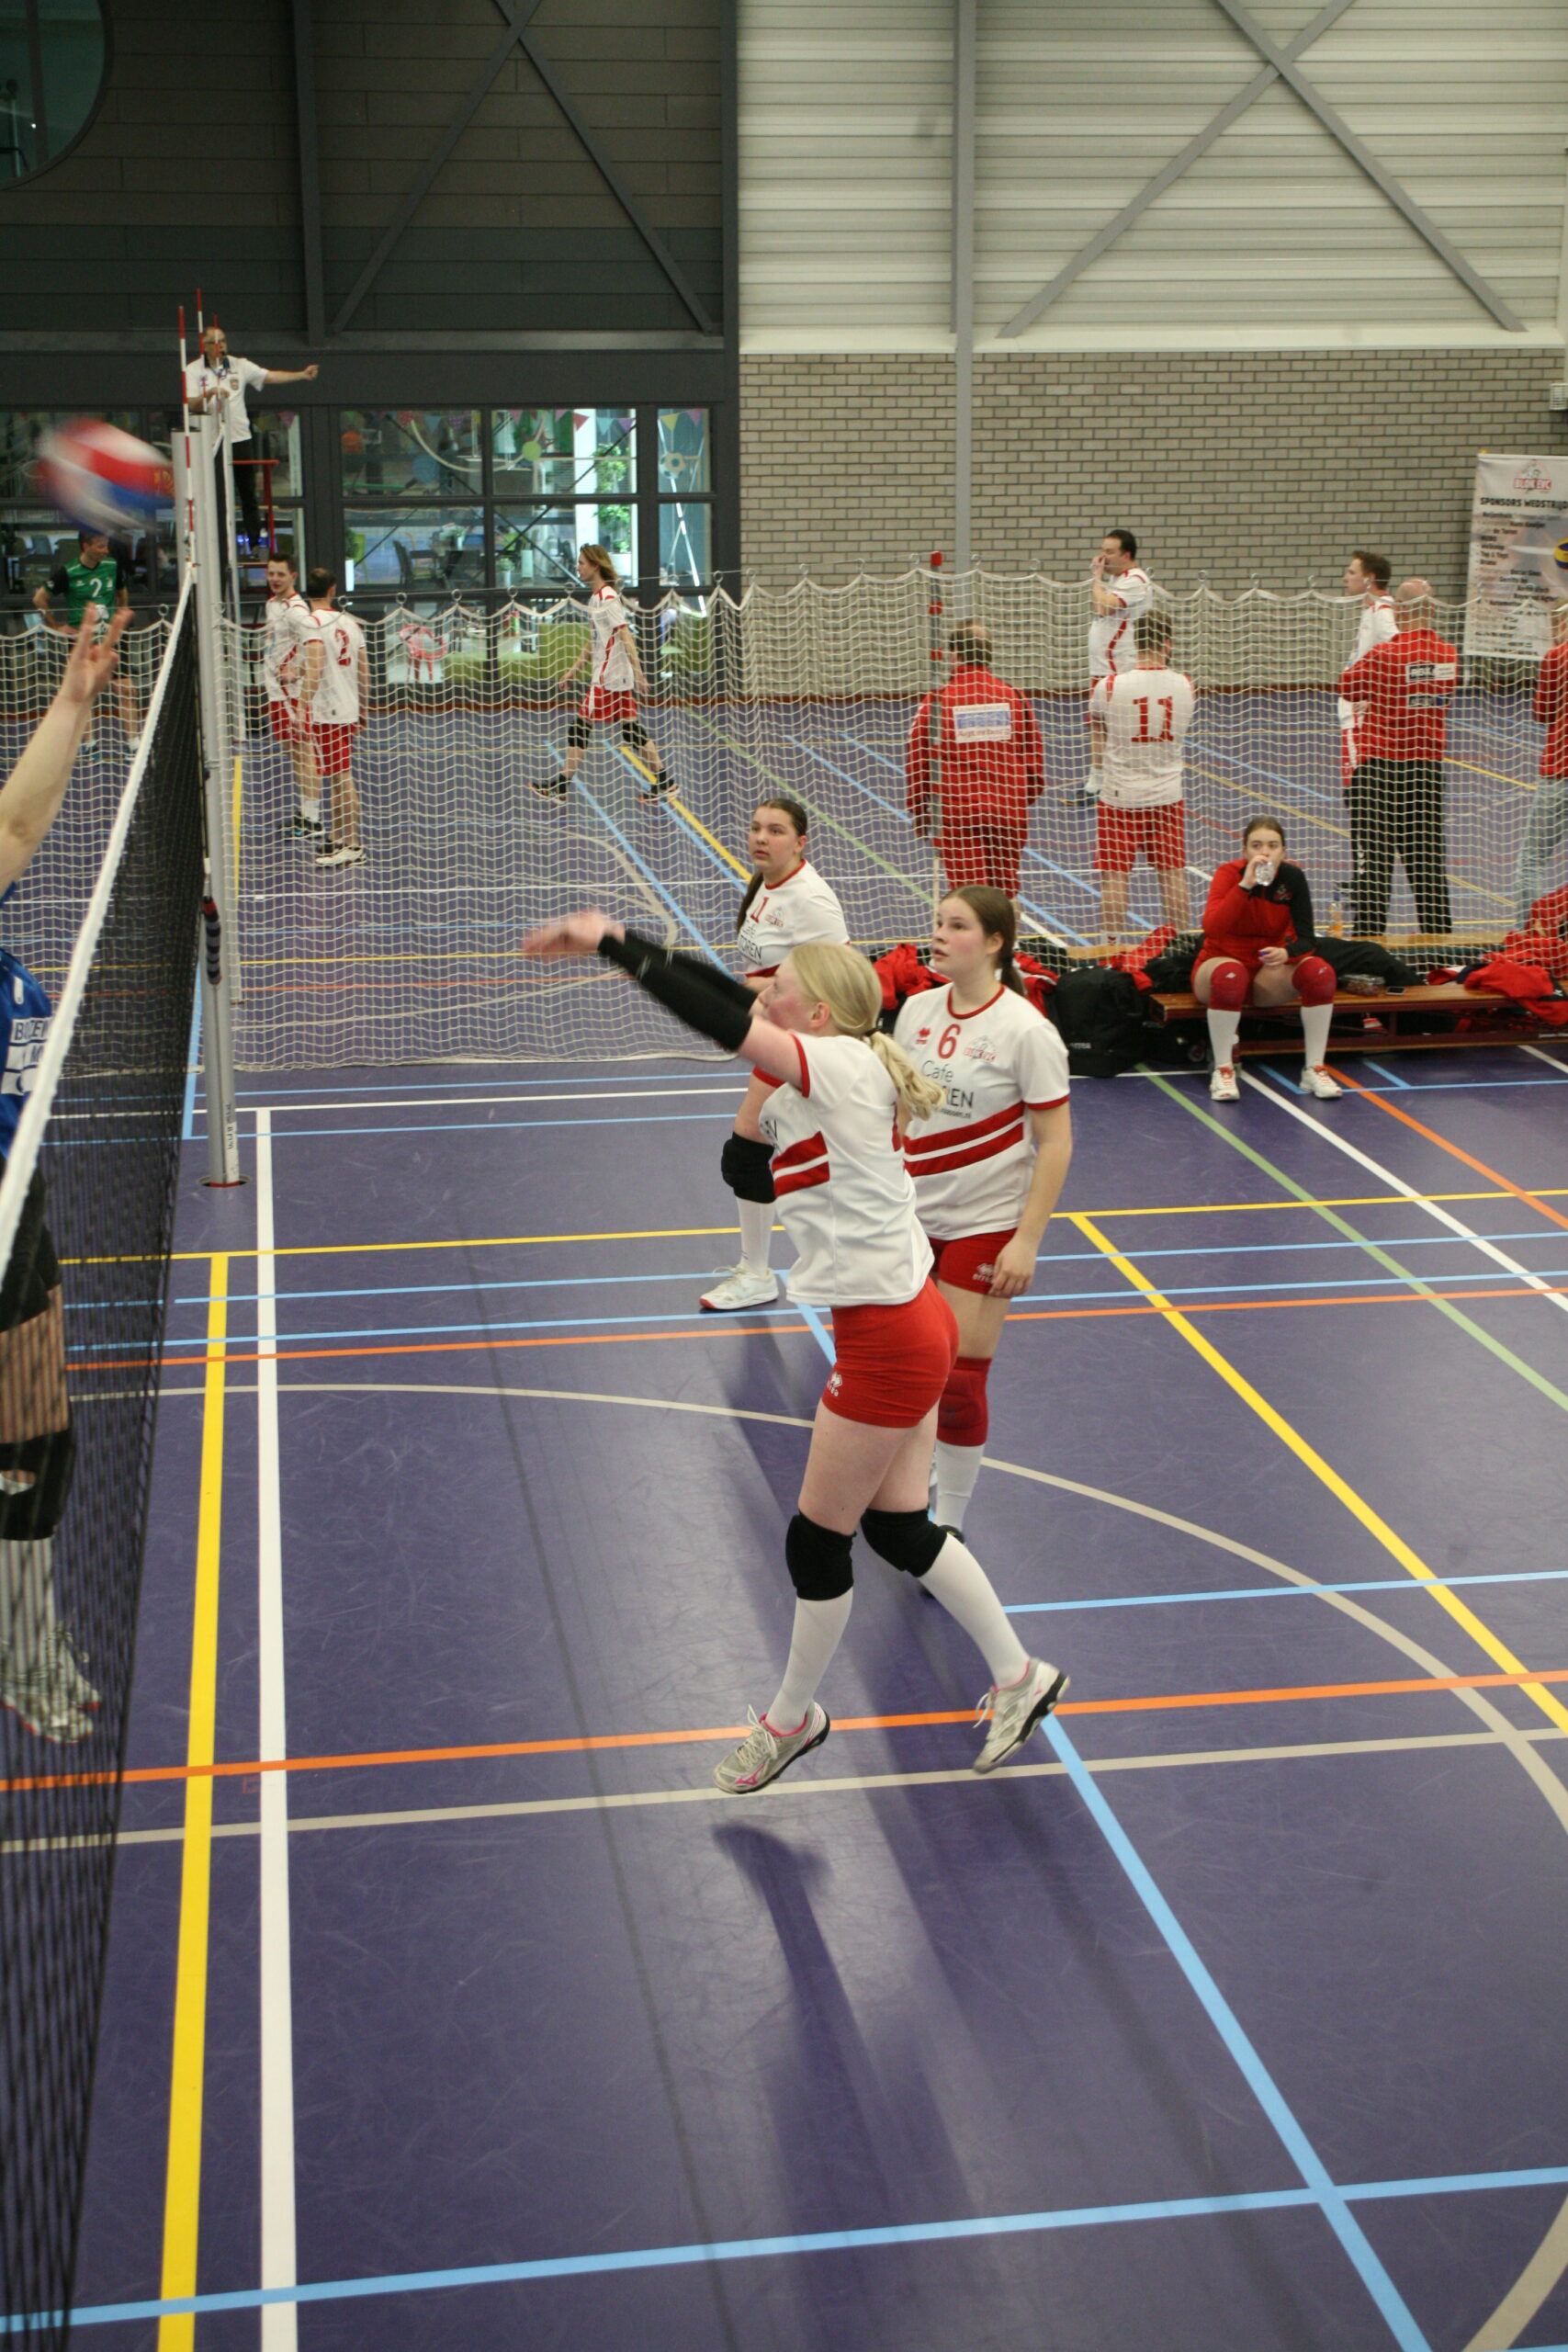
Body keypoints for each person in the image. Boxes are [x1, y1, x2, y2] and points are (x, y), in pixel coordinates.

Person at [521, 917, 1069, 1792]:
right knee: (897, 1527)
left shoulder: (841, 1065)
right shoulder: (830, 1068)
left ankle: (790, 1721)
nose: (760, 997)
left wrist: (614, 945)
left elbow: (718, 1016)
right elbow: (733, 1026)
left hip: (889, 1339)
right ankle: (1018, 1675)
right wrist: (626, 938)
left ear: (815, 1014)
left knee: (816, 1542)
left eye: (777, 992)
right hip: (908, 1318)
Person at [0, 608, 130, 1743]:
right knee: (24, 1451)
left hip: (20, 1205)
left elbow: (18, 817)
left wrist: (74, 700)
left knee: (42, 1443)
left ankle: (28, 1639)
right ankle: (23, 1652)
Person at [894, 888, 1071, 1537]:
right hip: (910, 1221)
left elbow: (1055, 1142)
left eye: (957, 926)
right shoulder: (916, 1010)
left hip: (984, 1225)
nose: (939, 935)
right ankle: (911, 1481)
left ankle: (950, 1522)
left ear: (995, 943)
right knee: (910, 1370)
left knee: (959, 1384)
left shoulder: (1026, 1031)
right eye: (938, 923)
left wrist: (1026, 1240)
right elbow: (899, 1111)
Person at [699, 796, 848, 1314]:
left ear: (801, 842)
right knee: (798, 1158)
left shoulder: (812, 899)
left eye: (776, 830)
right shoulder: (765, 883)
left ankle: (759, 1274)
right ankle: (794, 1268)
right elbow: (775, 970)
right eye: (756, 827)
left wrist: (750, 1001)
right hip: (777, 1033)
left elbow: (837, 980)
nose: (762, 838)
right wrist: (747, 1012)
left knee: (748, 1152)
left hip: (808, 1043)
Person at [1337, 578, 1457, 939]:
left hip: (1380, 772)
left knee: (1374, 866)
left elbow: (1347, 686)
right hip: (1426, 773)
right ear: (1432, 611)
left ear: (1400, 611)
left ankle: (1369, 945)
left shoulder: (1385, 654)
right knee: (1428, 866)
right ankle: (1440, 947)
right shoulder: (1448, 655)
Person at [1193, 816, 1342, 1102]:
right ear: (1245, 851)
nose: (1265, 852)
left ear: (1283, 852)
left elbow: (1307, 939)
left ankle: (1314, 1068)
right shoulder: (1229, 874)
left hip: (1266, 972)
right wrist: (1244, 885)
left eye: (1273, 846)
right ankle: (1223, 1070)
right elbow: (1213, 928)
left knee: (1319, 972)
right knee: (1230, 975)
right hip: (1218, 964)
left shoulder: (1292, 878)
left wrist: (1287, 953)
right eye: (1257, 845)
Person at [905, 620, 1047, 897]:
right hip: (1008, 814)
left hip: (960, 816)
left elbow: (918, 759)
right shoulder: (1014, 697)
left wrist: (920, 810)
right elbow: (1033, 758)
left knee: (969, 896)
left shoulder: (937, 702)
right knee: (1005, 892)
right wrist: (1018, 800)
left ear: (953, 655)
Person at [1088, 609, 1193, 944]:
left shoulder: (1109, 686)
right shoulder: (1185, 685)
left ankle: (1110, 945)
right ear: (1168, 644)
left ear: (1135, 642)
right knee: (1172, 873)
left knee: (1115, 876)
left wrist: (1097, 776)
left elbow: (1098, 733)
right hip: (1167, 795)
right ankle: (1182, 942)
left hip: (1120, 796)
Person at [534, 546, 670, 801]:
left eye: (582, 563)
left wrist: (639, 674)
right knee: (630, 730)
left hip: (610, 677)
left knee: (579, 726)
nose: (578, 567)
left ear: (595, 566)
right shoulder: (595, 600)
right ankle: (665, 781)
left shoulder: (608, 599)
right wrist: (572, 672)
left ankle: (561, 786)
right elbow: (593, 642)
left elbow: (625, 636)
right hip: (610, 674)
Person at [183, 322, 318, 549]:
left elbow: (270, 376)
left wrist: (301, 375)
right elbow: (190, 404)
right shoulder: (193, 370)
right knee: (214, 493)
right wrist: (210, 394)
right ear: (204, 346)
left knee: (248, 491)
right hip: (210, 441)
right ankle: (215, 541)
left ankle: (254, 541)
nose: (220, 346)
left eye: (223, 341)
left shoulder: (239, 365)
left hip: (239, 437)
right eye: (214, 342)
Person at [31, 529, 142, 750]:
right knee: (84, 692)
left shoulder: (112, 566)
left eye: (106, 545)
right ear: (86, 546)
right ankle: (90, 744)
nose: (105, 550)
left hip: (109, 637)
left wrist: (119, 616)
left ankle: (133, 743)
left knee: (126, 689)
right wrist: (56, 626)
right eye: (100, 546)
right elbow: (39, 598)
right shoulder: (68, 572)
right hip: (82, 640)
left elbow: (122, 593)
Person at [300, 566, 367, 868]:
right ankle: (338, 838)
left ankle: (353, 845)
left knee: (342, 777)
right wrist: (363, 708)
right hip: (347, 709)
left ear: (308, 591)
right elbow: (364, 670)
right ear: (332, 590)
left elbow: (315, 668)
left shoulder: (312, 623)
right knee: (336, 777)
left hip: (328, 712)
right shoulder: (351, 623)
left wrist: (301, 706)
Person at [1085, 527, 1154, 797]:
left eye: (1109, 552)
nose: (1103, 557)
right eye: (1102, 551)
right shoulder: (1118, 580)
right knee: (1097, 723)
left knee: (1117, 727)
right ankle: (1096, 783)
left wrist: (1096, 578)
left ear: (1126, 555)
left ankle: (1121, 781)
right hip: (1102, 667)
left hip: (1120, 668)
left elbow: (1104, 606)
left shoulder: (1135, 580)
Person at [1514, 599, 1568, 924]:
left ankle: (1529, 934)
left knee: (1532, 859)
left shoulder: (1557, 657)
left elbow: (1542, 712)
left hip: (1560, 772)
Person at [264, 554, 321, 841]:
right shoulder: (272, 604)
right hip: (275, 693)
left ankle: (313, 819)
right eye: (271, 573)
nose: (275, 579)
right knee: (294, 755)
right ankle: (305, 813)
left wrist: (297, 671)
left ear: (293, 576)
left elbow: (315, 649)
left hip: (292, 695)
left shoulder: (297, 611)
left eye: (281, 574)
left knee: (304, 753)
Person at [1337, 549, 1396, 790]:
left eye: (1351, 572)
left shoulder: (1383, 612)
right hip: (1353, 713)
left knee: (1356, 784)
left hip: (1360, 715)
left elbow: (1399, 651)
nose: (1345, 578)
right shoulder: (1371, 609)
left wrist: (1376, 696)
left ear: (1369, 578)